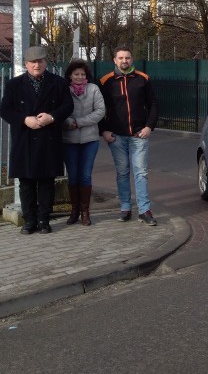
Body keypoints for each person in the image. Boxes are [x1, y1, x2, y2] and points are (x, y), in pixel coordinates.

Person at [0, 46, 73, 234]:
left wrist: (52, 117)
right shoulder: (14, 85)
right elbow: (5, 110)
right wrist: (25, 120)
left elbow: (68, 106)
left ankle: (44, 220)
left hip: (49, 139)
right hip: (24, 138)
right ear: (26, 64)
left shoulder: (58, 83)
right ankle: (29, 220)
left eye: (40, 61)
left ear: (45, 62)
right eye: (32, 62)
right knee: (26, 182)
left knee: (47, 181)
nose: (36, 65)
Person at [99, 46, 159, 226]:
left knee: (141, 173)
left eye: (127, 58)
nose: (124, 61)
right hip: (116, 137)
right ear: (114, 60)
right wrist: (103, 130)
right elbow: (99, 108)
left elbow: (154, 104)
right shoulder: (105, 81)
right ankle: (125, 207)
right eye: (120, 58)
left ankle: (144, 210)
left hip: (139, 135)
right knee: (122, 173)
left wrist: (149, 126)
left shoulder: (143, 79)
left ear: (132, 60)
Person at [62, 59, 106, 226]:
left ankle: (85, 211)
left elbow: (100, 111)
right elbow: (59, 110)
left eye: (82, 74)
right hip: (69, 139)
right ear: (70, 76)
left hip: (89, 139)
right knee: (73, 175)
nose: (80, 77)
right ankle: (74, 210)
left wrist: (78, 122)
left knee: (85, 175)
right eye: (76, 74)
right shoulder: (64, 90)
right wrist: (68, 123)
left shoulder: (93, 89)